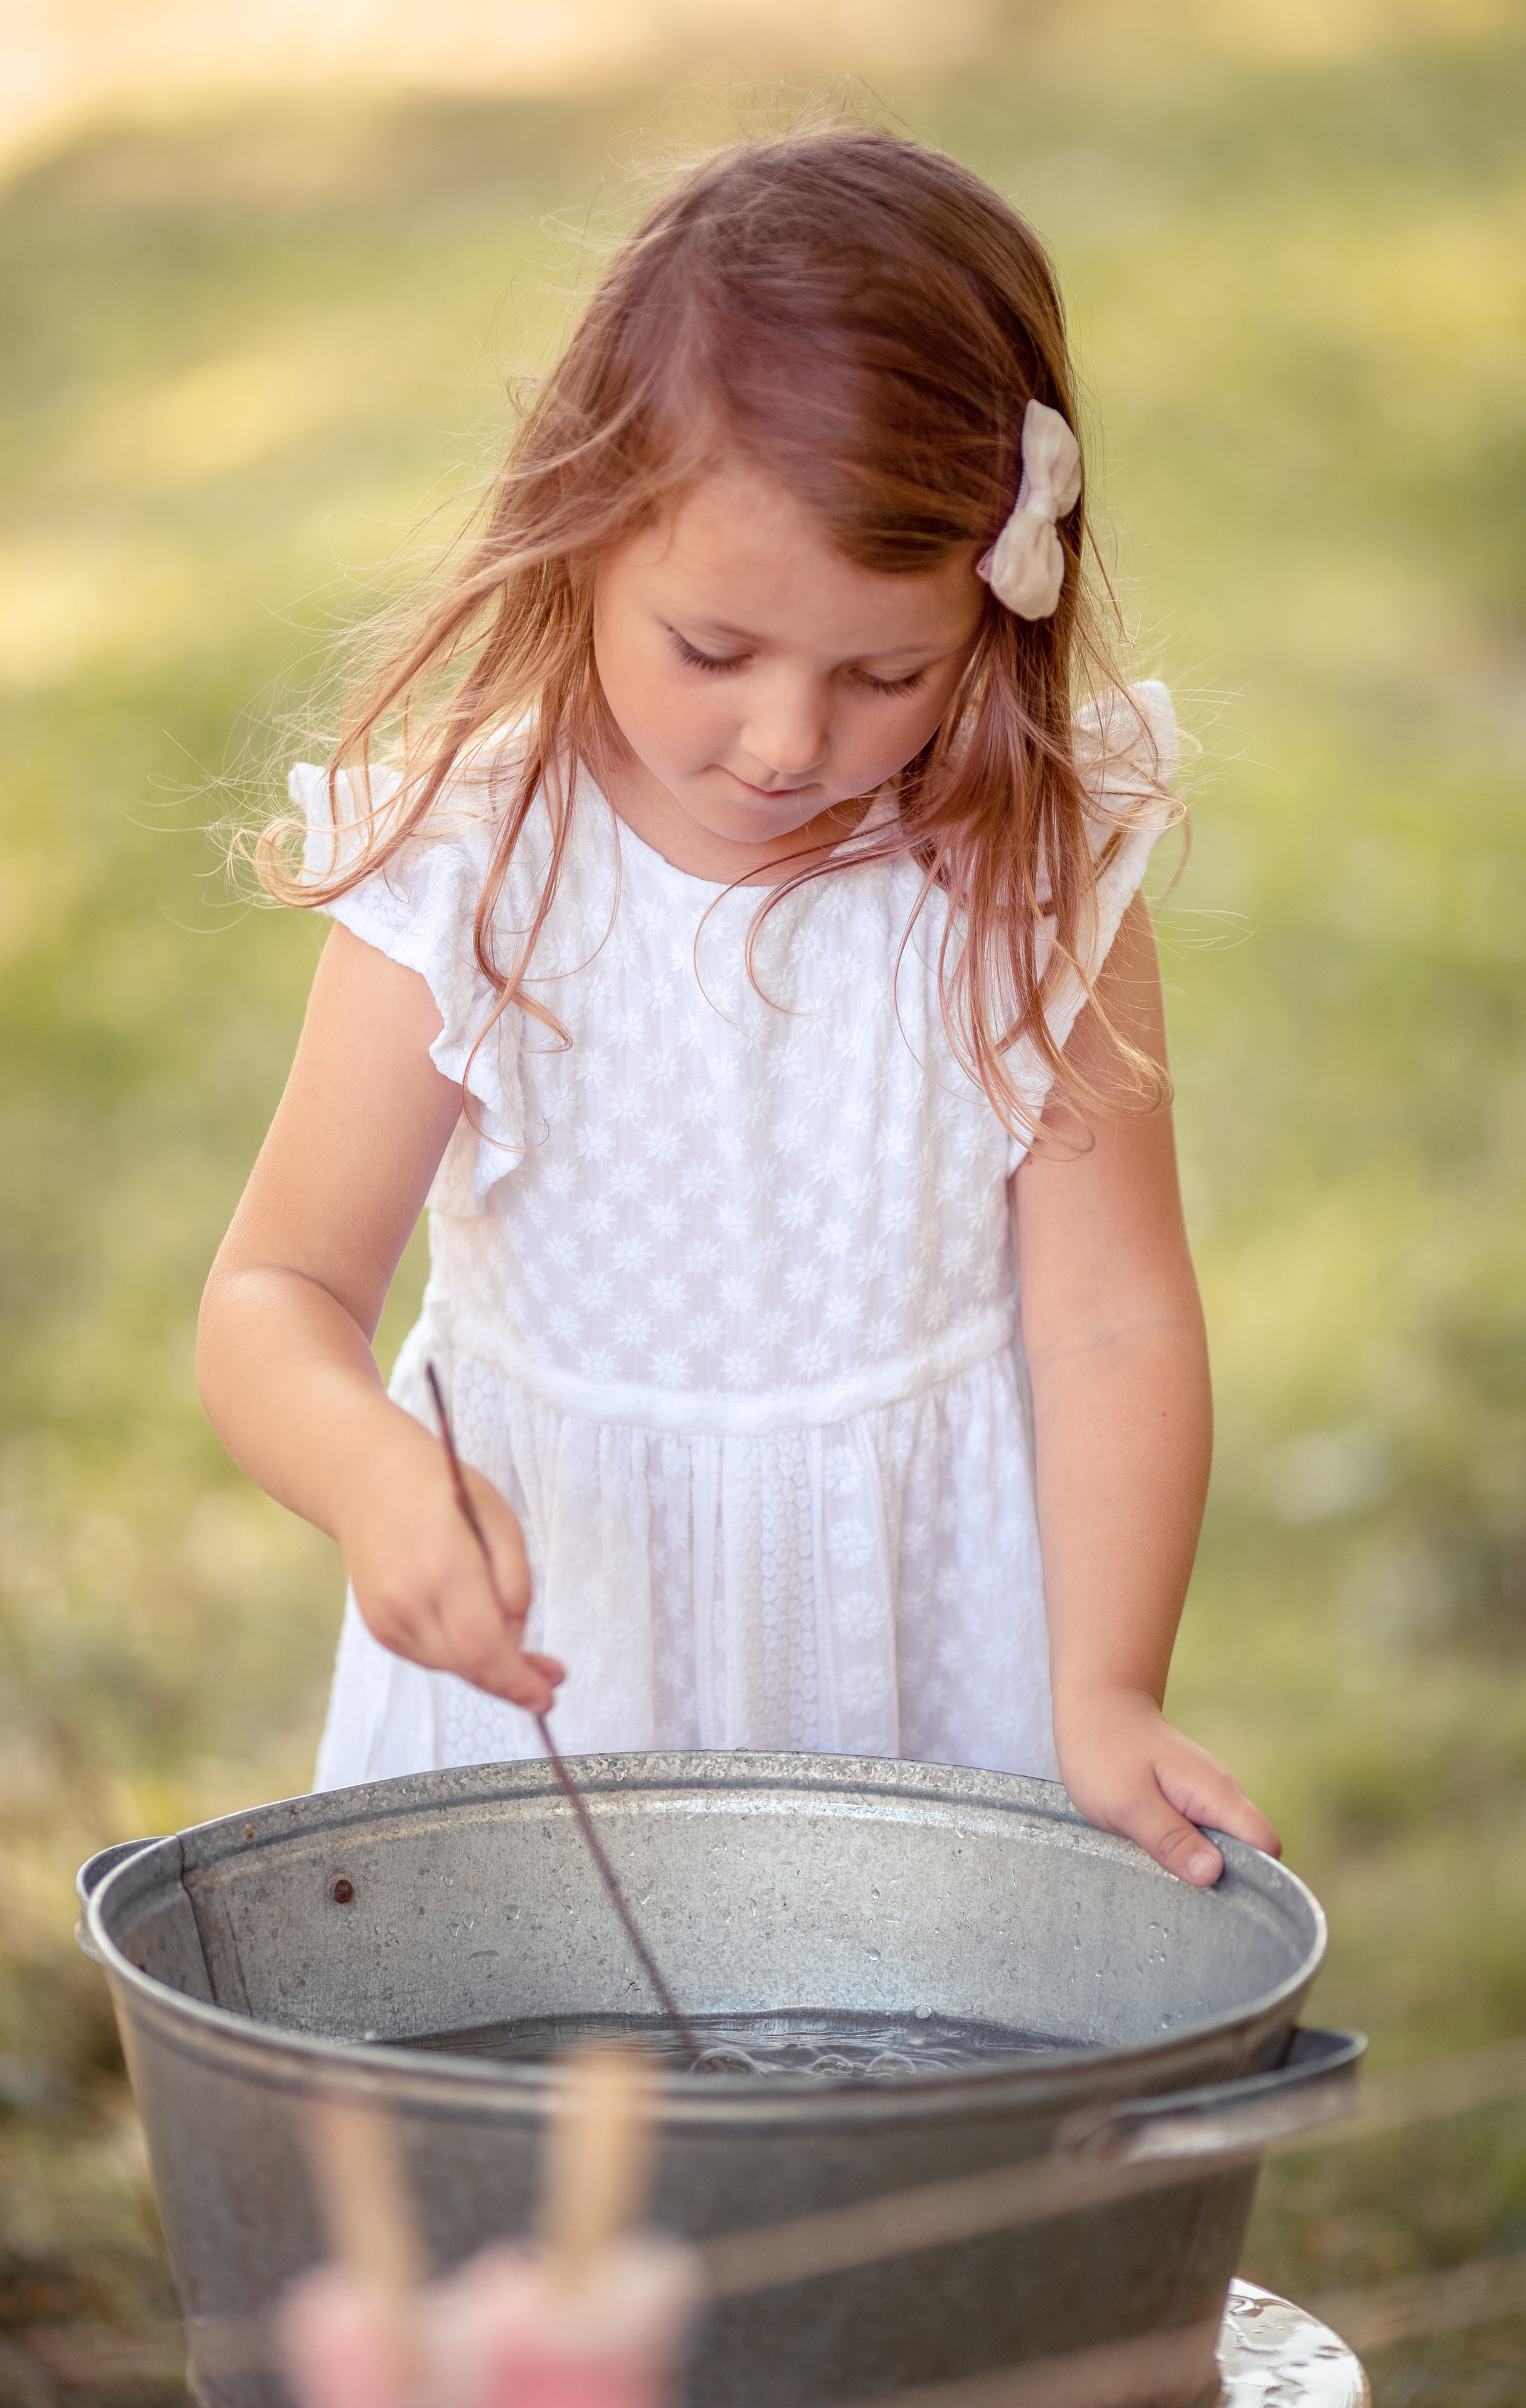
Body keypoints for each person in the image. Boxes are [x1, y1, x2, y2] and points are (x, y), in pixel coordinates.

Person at [199, 124, 1279, 1888]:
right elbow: (275, 1290)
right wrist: (374, 1475)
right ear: (583, 535)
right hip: (558, 1693)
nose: (789, 742)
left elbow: (1113, 1326)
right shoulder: (481, 873)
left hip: (914, 1665)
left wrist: (1105, 1688)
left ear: (996, 616)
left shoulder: (1022, 882)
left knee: (895, 2108)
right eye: (715, 651)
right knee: (544, 2123)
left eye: (886, 674)